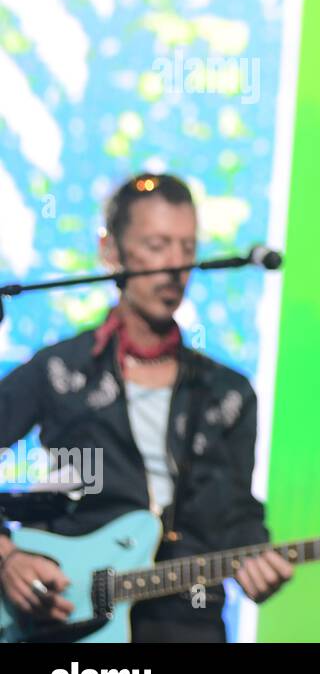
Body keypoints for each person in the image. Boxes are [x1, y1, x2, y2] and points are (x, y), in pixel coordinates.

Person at [0, 172, 292, 641]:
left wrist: (255, 556)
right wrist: (7, 556)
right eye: (157, 245)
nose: (176, 265)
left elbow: (235, 512)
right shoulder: (59, 370)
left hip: (188, 624)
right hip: (67, 623)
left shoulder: (229, 392)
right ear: (110, 251)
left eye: (187, 247)